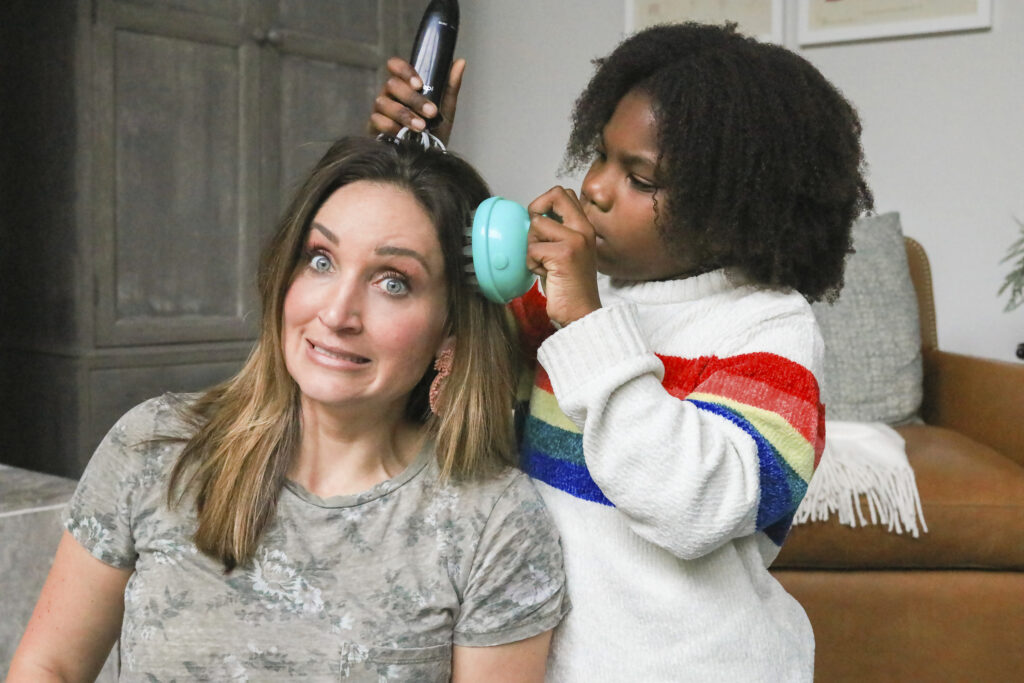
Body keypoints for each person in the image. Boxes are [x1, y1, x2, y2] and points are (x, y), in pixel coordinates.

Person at [370, 21, 872, 682]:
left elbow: (695, 506)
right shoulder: (560, 297)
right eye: (602, 155)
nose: (597, 188)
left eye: (642, 178)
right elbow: (431, 335)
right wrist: (422, 163)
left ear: (734, 208)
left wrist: (584, 319)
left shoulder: (767, 327)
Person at [7, 136, 569, 682]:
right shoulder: (155, 447)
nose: (337, 312)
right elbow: (49, 667)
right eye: (321, 260)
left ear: (451, 324)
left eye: (393, 281)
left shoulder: (495, 524)